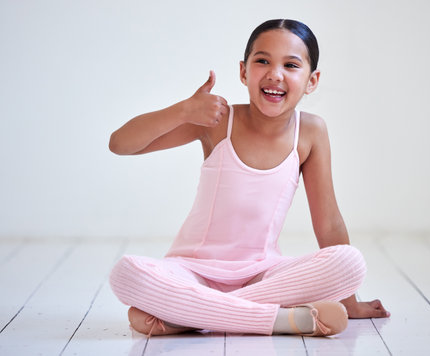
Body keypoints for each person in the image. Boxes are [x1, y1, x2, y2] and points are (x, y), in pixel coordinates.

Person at [108, 19, 389, 338]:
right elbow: (120, 144)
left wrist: (349, 301)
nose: (275, 74)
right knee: (126, 273)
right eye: (263, 61)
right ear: (243, 71)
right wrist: (184, 110)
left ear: (312, 81)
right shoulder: (217, 120)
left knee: (350, 263)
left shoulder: (310, 132)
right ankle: (275, 319)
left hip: (263, 275)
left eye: (291, 65)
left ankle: (193, 313)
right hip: (191, 271)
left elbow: (329, 224)